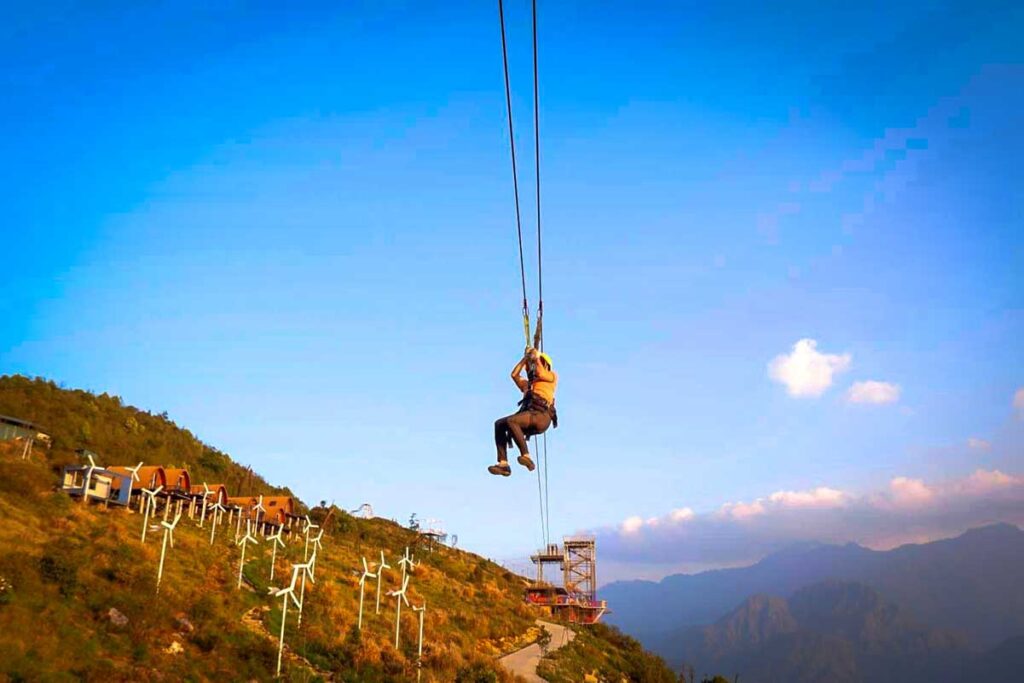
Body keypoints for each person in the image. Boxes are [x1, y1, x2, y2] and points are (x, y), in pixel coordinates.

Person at [489, 346, 558, 476]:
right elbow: (514, 375)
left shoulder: (551, 377)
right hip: (529, 416)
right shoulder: (528, 385)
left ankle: (526, 456)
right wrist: (525, 359)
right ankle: (503, 464)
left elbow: (540, 373)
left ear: (546, 365)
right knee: (500, 424)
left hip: (541, 416)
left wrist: (536, 357)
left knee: (511, 420)